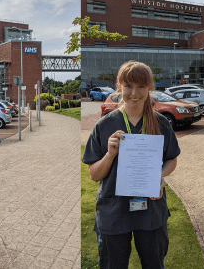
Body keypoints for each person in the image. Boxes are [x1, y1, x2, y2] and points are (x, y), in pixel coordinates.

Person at [83, 61, 179, 268]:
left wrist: (159, 178)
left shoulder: (161, 123)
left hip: (150, 210)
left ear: (149, 88)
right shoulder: (104, 125)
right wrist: (110, 154)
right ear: (120, 87)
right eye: (128, 86)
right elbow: (94, 174)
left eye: (141, 86)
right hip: (114, 212)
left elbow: (172, 160)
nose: (134, 92)